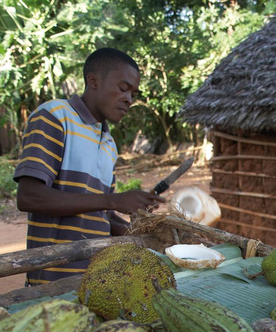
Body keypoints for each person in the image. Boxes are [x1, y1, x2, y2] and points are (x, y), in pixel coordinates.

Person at [14, 48, 164, 285]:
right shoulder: (54, 117)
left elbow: (101, 215)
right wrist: (114, 200)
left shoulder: (108, 143)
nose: (129, 99)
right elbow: (30, 197)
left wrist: (145, 232)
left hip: (94, 281)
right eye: (123, 89)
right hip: (51, 282)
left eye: (134, 94)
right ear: (93, 81)